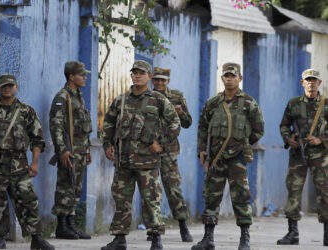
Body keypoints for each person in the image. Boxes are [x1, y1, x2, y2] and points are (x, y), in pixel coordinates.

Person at [101, 60, 181, 250]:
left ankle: (155, 239)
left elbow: (175, 123)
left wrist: (161, 144)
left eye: (141, 73)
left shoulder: (158, 100)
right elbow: (109, 123)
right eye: (134, 72)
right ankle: (119, 238)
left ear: (149, 77)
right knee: (121, 200)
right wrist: (107, 144)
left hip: (147, 162)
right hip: (124, 162)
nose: (137, 76)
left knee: (151, 200)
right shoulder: (121, 100)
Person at [193, 63, 264, 250]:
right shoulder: (213, 103)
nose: (229, 79)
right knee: (211, 197)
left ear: (240, 78)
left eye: (233, 76)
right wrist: (201, 149)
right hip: (216, 159)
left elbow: (259, 129)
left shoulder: (249, 103)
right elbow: (202, 127)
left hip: (237, 159)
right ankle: (208, 238)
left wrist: (243, 144)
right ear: (222, 78)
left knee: (241, 197)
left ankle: (244, 239)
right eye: (226, 76)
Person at [0, 74, 54, 250]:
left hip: (19, 165)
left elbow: (37, 139)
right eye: (3, 86)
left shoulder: (26, 111)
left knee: (28, 201)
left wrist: (34, 163)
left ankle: (36, 239)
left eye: (10, 85)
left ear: (16, 87)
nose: (7, 88)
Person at [278, 69, 328, 246]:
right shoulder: (293, 104)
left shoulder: (326, 104)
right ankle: (292, 233)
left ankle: (327, 233)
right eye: (308, 80)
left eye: (314, 80)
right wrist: (288, 138)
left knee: (325, 191)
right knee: (293, 190)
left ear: (319, 83)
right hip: (298, 153)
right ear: (302, 83)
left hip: (320, 155)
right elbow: (284, 125)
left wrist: (320, 139)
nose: (311, 83)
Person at [142, 66, 193, 242]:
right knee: (149, 191)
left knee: (173, 188)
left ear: (168, 81)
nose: (159, 83)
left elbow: (187, 123)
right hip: (147, 150)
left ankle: (183, 226)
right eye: (156, 79)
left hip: (168, 151)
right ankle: (153, 229)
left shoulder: (177, 96)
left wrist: (181, 112)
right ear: (151, 80)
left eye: (163, 80)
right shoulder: (145, 96)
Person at [49, 61, 93, 240]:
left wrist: (88, 149)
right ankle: (62, 226)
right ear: (71, 76)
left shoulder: (78, 96)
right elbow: (56, 126)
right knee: (65, 187)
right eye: (81, 74)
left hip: (81, 151)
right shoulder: (63, 97)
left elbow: (83, 127)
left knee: (75, 189)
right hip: (69, 150)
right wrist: (62, 150)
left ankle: (71, 224)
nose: (84, 77)